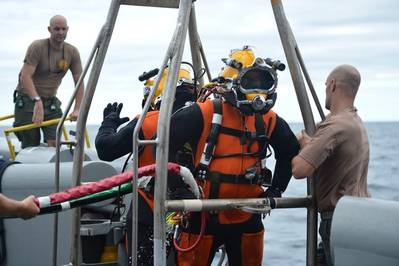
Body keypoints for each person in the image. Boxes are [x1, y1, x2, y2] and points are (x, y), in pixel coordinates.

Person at [168, 47, 299, 266]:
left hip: (247, 215)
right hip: (203, 213)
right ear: (232, 84)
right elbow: (163, 146)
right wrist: (178, 188)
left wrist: (277, 189)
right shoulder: (203, 113)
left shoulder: (268, 119)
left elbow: (289, 151)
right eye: (250, 82)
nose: (257, 91)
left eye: (264, 82)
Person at [95, 66, 198, 265]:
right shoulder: (205, 118)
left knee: (145, 259)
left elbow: (106, 149)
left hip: (150, 210)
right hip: (192, 210)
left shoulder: (148, 122)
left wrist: (108, 123)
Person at [291, 64, 370, 266]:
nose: (326, 89)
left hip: (337, 219)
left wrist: (302, 145)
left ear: (332, 85)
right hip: (357, 216)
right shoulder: (353, 121)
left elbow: (300, 170)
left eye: (326, 85)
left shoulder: (336, 125)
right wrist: (313, 145)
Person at [14, 14, 84, 148]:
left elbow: (79, 81)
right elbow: (25, 76)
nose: (60, 33)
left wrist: (77, 108)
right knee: (30, 144)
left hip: (50, 102)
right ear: (49, 29)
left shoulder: (72, 52)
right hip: (28, 101)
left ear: (68, 29)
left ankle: (55, 167)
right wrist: (37, 100)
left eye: (63, 29)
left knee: (54, 142)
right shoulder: (37, 47)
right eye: (57, 29)